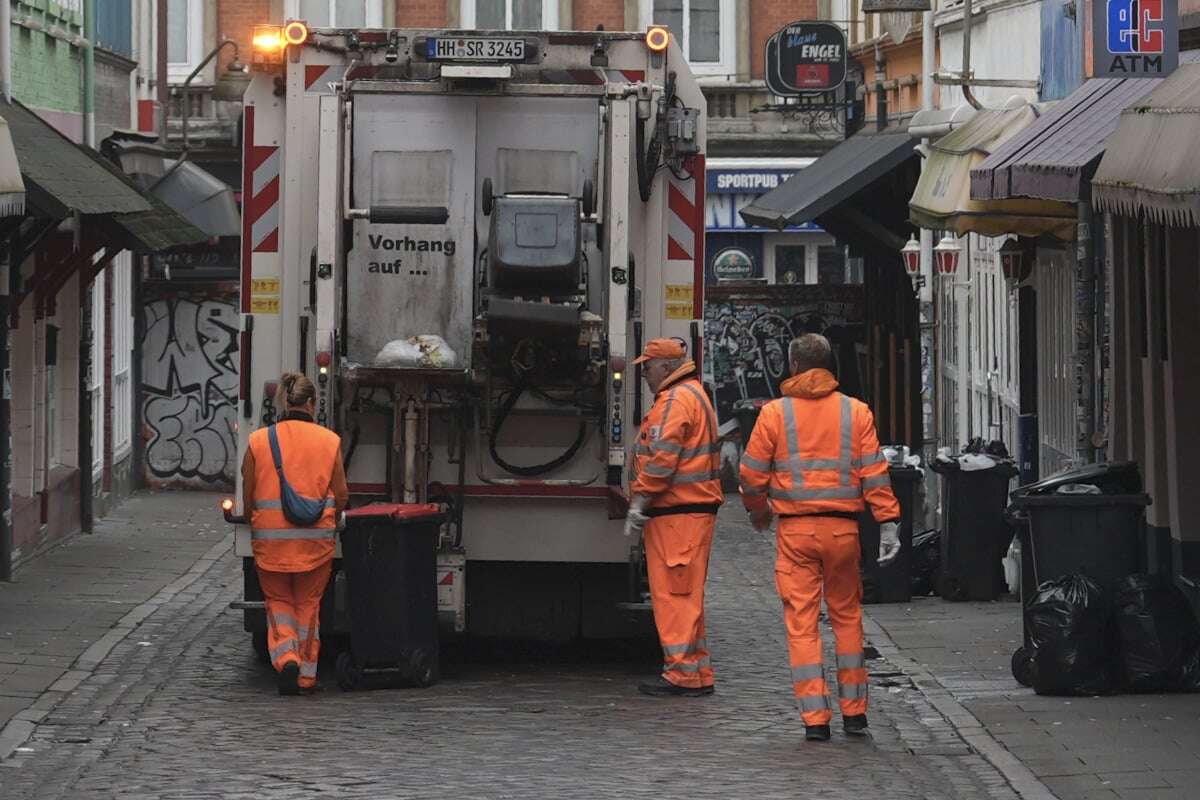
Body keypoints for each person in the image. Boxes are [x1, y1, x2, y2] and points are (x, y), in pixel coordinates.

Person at [738, 334, 901, 741]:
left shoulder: (775, 414)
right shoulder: (855, 412)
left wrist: (759, 511)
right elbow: (875, 473)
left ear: (792, 366)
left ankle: (815, 719)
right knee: (847, 618)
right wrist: (889, 523)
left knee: (802, 624)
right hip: (843, 531)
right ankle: (855, 712)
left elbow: (751, 475)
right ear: (829, 366)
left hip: (796, 532)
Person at [624, 338, 723, 697]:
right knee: (686, 594)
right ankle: (696, 672)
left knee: (674, 596)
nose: (645, 373)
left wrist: (640, 500)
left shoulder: (676, 400)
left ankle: (681, 673)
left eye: (648, 366)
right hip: (689, 513)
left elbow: (663, 458)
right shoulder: (692, 394)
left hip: (678, 514)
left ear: (665, 367)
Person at [242, 372, 348, 695]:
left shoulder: (258, 442)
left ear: (282, 403)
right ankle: (306, 675)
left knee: (279, 602)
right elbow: (341, 494)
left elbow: (249, 496)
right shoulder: (330, 442)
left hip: (271, 546)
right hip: (314, 545)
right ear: (313, 403)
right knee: (308, 606)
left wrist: (255, 520)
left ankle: (286, 657)